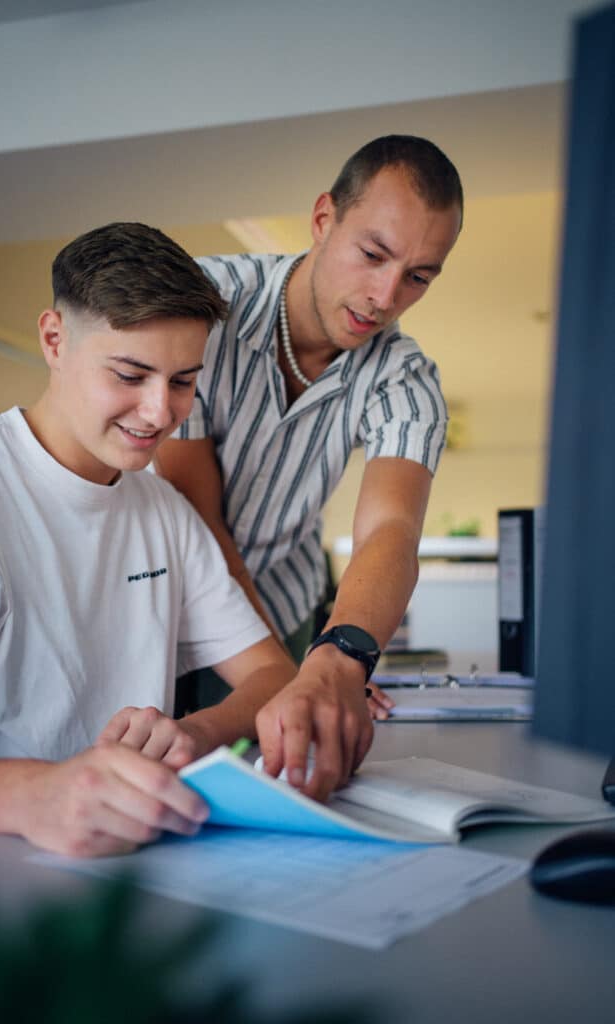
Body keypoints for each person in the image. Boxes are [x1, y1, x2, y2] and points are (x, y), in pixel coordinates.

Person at [0, 221, 309, 859]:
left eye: (183, 381)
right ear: (54, 339)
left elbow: (272, 674)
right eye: (131, 375)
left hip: (127, 875)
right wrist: (34, 794)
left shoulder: (162, 508)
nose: (161, 413)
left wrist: (195, 734)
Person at [155, 135, 463, 757]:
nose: (386, 297)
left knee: (277, 780)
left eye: (417, 277)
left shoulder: (405, 379)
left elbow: (390, 532)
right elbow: (198, 516)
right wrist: (286, 671)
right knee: (157, 766)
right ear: (324, 218)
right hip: (164, 594)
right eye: (373, 254)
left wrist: (339, 658)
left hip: (287, 602)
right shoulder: (202, 304)